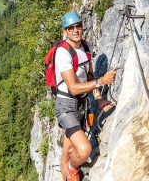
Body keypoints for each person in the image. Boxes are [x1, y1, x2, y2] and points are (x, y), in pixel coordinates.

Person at [55, 11, 117, 181]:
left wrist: (99, 99)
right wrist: (102, 81)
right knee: (84, 150)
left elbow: (89, 77)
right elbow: (74, 88)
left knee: (69, 148)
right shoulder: (62, 53)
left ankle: (66, 168)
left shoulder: (86, 47)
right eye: (70, 28)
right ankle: (72, 168)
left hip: (81, 106)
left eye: (78, 26)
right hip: (66, 106)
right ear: (66, 31)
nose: (75, 30)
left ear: (82, 26)